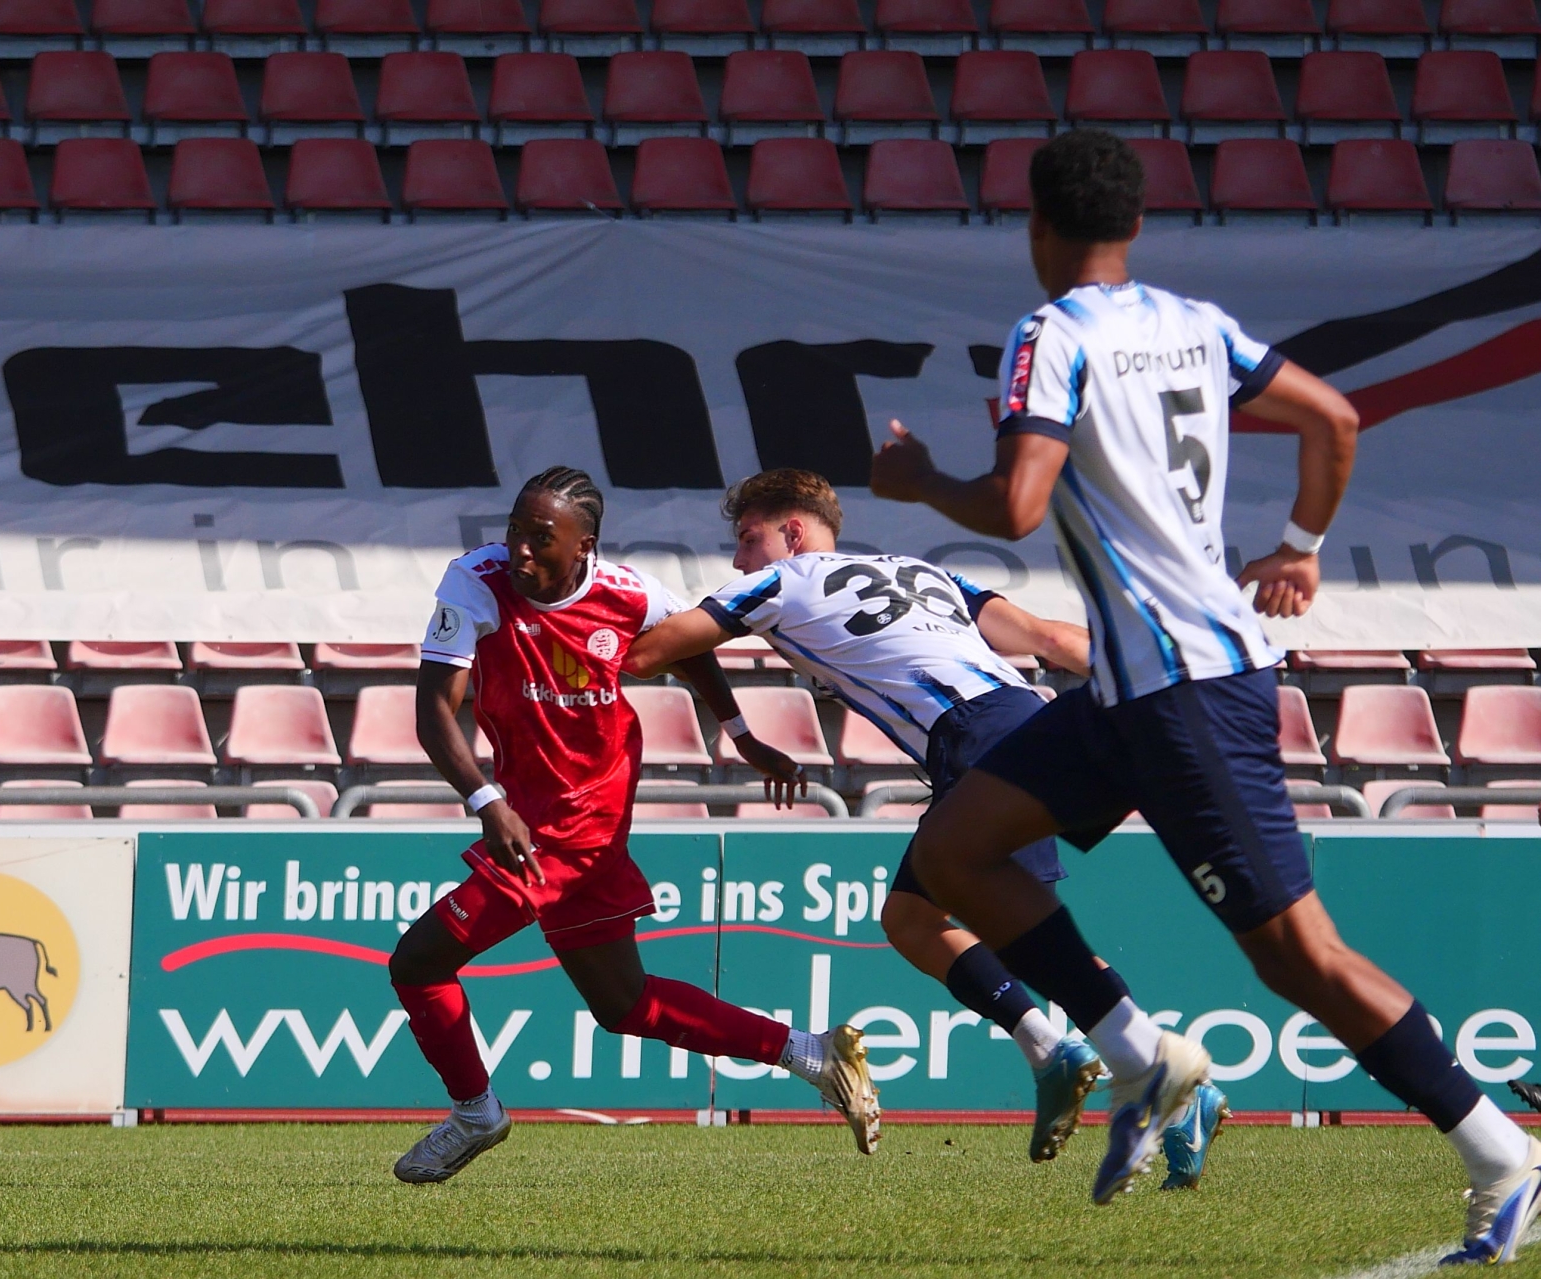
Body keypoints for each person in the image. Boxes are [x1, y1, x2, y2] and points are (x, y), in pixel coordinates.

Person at [868, 129, 1541, 1262]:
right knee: (954, 851)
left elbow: (1020, 505)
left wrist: (921, 480)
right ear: (1135, 225)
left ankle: (1499, 1153)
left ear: (1037, 227)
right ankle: (1141, 1057)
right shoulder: (1195, 322)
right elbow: (1334, 418)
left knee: (1299, 958)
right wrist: (1302, 545)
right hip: (1132, 687)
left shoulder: (1050, 334)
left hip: (1184, 689)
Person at [622, 467, 1228, 1187]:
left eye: (749, 538)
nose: (738, 557)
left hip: (975, 737)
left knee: (1021, 934)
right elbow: (1048, 638)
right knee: (918, 919)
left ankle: (1149, 1076)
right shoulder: (924, 574)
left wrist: (574, 644)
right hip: (1028, 722)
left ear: (793, 531)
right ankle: (1073, 1056)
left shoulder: (782, 580)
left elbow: (650, 652)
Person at [386, 465, 880, 1184]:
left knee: (418, 962)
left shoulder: (629, 593)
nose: (520, 549)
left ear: (583, 545)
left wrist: (741, 735)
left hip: (572, 826)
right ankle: (813, 1054)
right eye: (515, 531)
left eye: (541, 538)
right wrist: (487, 800)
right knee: (624, 1003)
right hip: (534, 815)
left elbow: (693, 647)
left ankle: (474, 1112)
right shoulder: (476, 579)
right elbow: (434, 709)